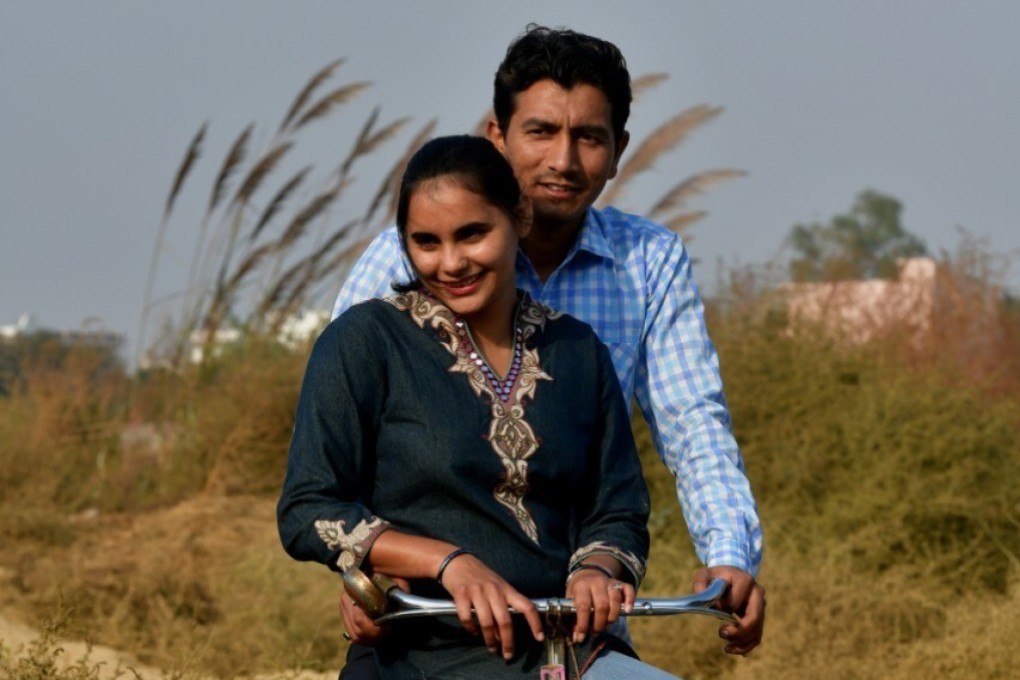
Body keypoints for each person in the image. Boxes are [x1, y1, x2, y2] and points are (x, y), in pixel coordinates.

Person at [333, 24, 765, 677]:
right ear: (496, 137)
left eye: (588, 137)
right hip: (428, 624)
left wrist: (730, 557)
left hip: (579, 622)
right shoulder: (407, 258)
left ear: (619, 150)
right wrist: (364, 572)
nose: (563, 160)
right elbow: (337, 452)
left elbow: (692, 425)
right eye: (540, 132)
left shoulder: (646, 263)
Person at [279, 135, 679, 679]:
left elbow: (617, 510)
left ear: (518, 217)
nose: (451, 262)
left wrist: (596, 570)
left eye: (473, 234)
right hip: (418, 651)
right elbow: (309, 508)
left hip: (566, 651)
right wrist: (448, 563)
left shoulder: (579, 351)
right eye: (426, 242)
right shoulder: (365, 341)